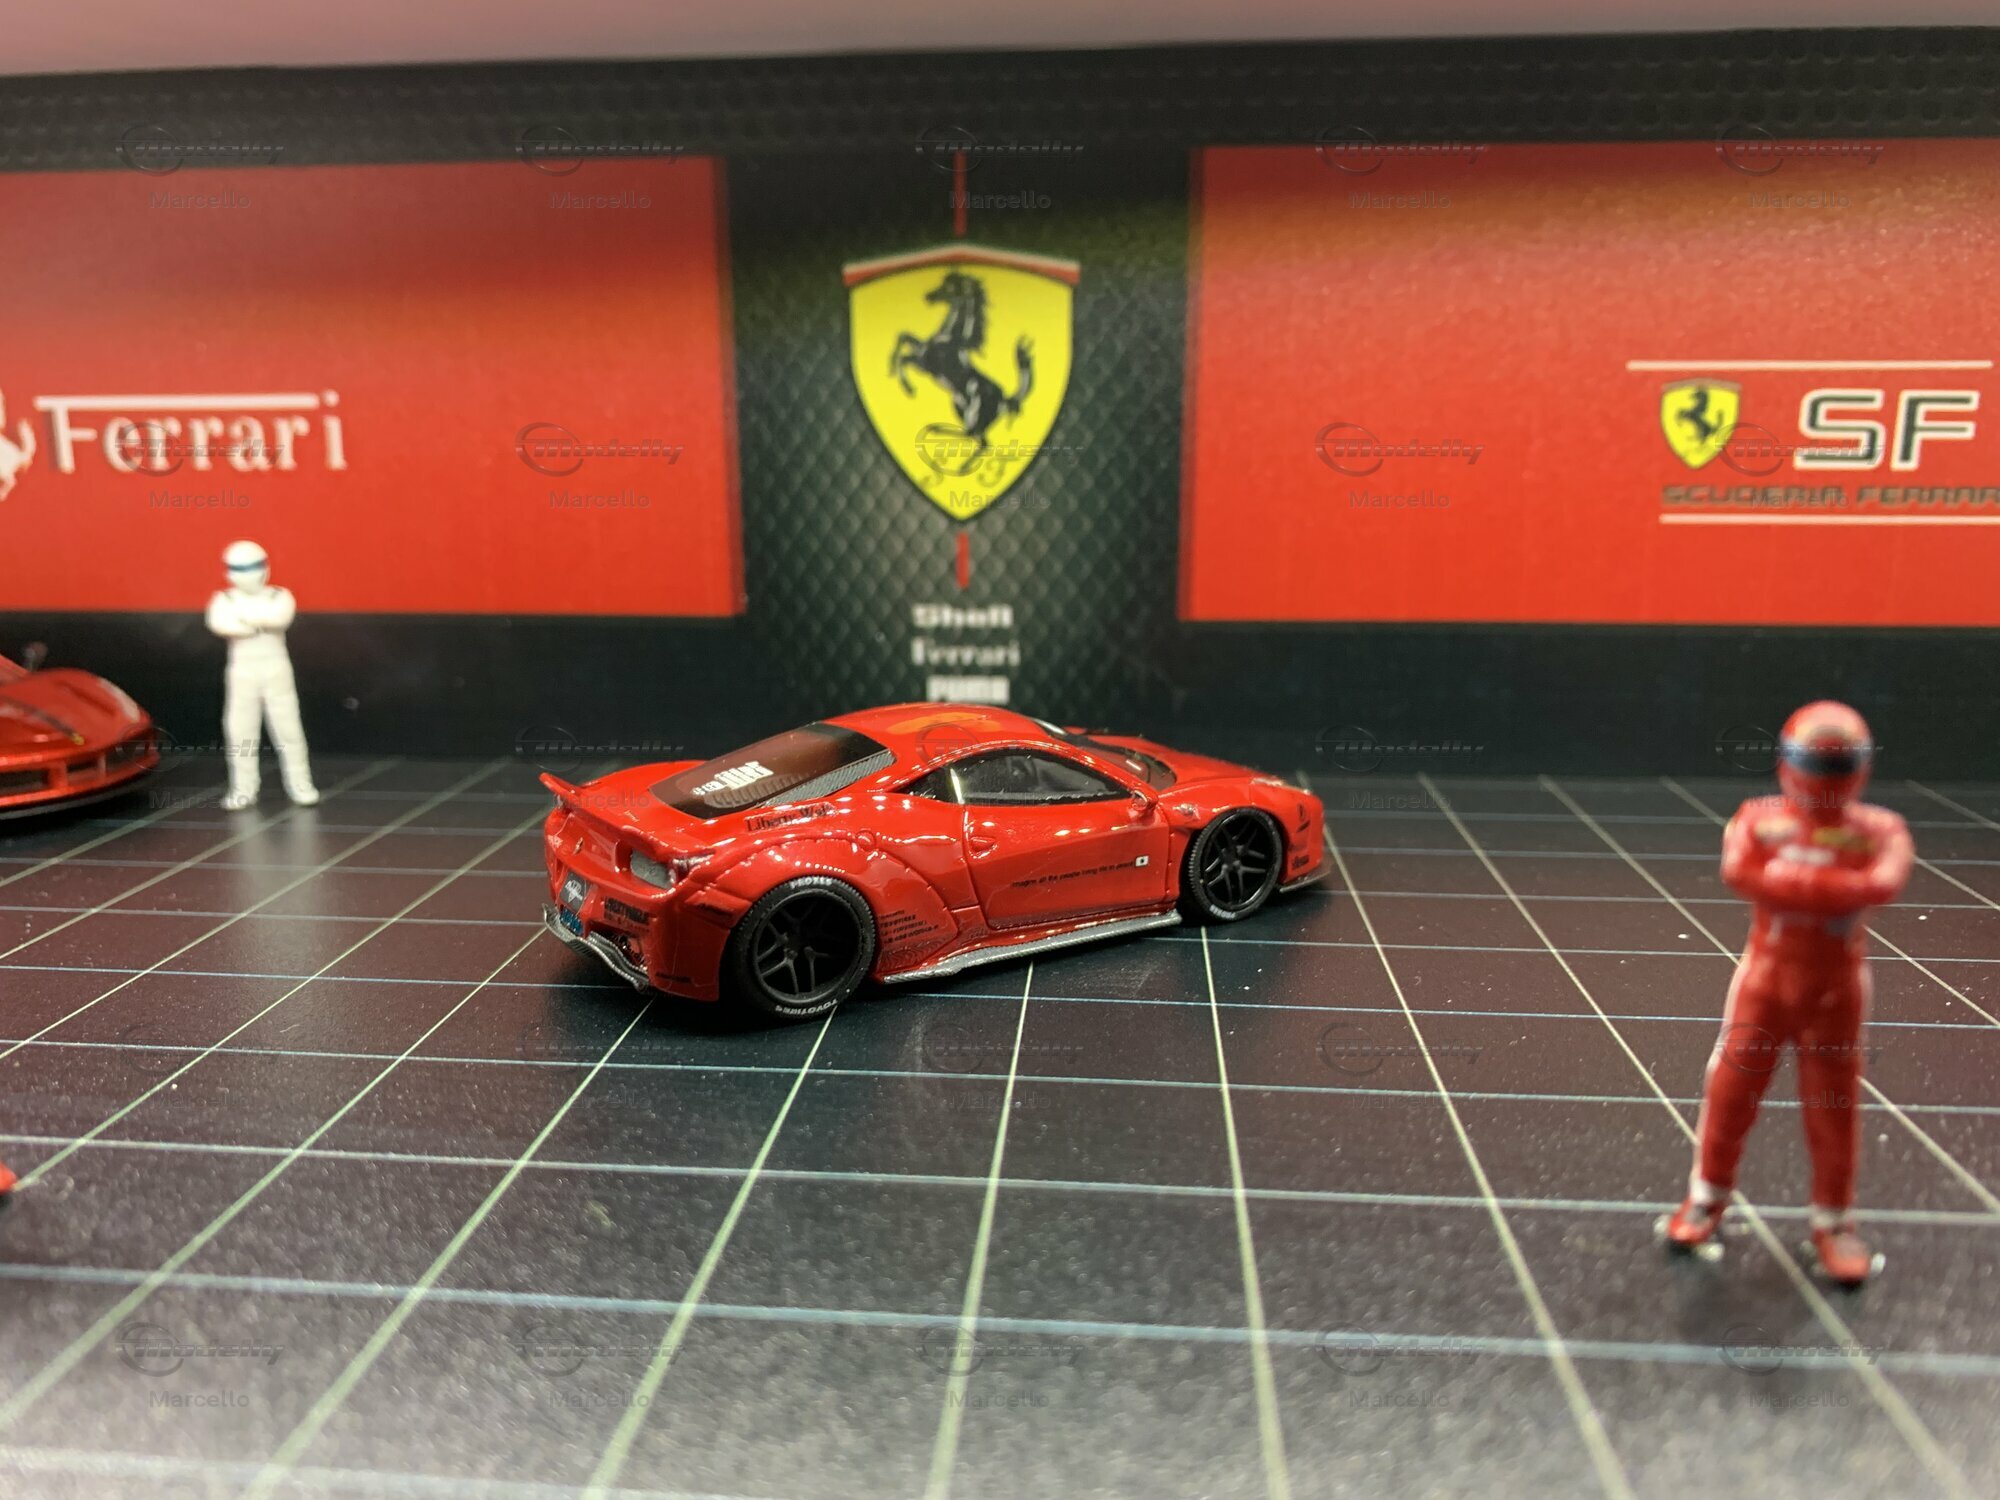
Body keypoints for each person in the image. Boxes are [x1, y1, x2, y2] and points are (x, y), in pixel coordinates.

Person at [1663, 701, 1912, 1287]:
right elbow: (1739, 872)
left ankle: (1834, 1220)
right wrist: (1833, 884)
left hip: (1835, 990)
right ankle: (1707, 1195)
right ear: (1787, 763)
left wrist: (1793, 881)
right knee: (1731, 1088)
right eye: (1815, 764)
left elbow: (1883, 883)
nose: (1824, 779)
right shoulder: (1759, 818)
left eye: (1837, 765)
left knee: (1833, 1102)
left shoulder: (1879, 829)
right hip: (1766, 982)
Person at [205, 540, 318, 811]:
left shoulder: (279, 595)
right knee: (240, 732)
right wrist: (256, 623)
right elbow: (220, 623)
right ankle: (243, 788)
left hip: (276, 669)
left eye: (253, 567)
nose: (248, 574)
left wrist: (246, 620)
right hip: (242, 671)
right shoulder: (224, 599)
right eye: (240, 568)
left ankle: (300, 784)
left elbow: (279, 618)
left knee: (288, 729)